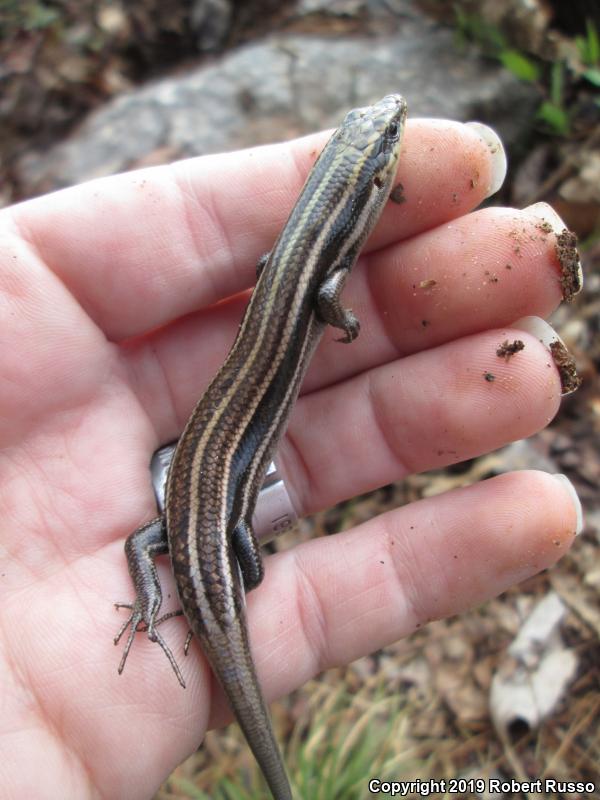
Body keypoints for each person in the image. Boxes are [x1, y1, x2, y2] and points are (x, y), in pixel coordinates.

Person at [0, 116, 582, 798]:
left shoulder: (297, 252)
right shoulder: (323, 261)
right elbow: (325, 293)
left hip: (210, 503)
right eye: (386, 137)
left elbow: (158, 544)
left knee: (206, 554)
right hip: (213, 511)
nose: (393, 129)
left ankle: (159, 605)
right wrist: (348, 324)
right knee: (215, 557)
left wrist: (160, 590)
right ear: (363, 183)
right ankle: (176, 610)